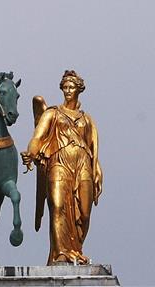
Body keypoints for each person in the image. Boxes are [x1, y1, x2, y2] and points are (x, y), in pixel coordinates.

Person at [22, 70, 103, 265]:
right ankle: (61, 254)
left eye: (71, 87)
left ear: (79, 89)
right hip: (59, 163)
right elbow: (37, 138)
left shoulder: (87, 119)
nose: (67, 91)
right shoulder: (52, 113)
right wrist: (30, 154)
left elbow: (94, 149)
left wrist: (97, 170)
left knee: (84, 213)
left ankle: (76, 250)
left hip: (83, 164)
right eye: (65, 87)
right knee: (57, 207)